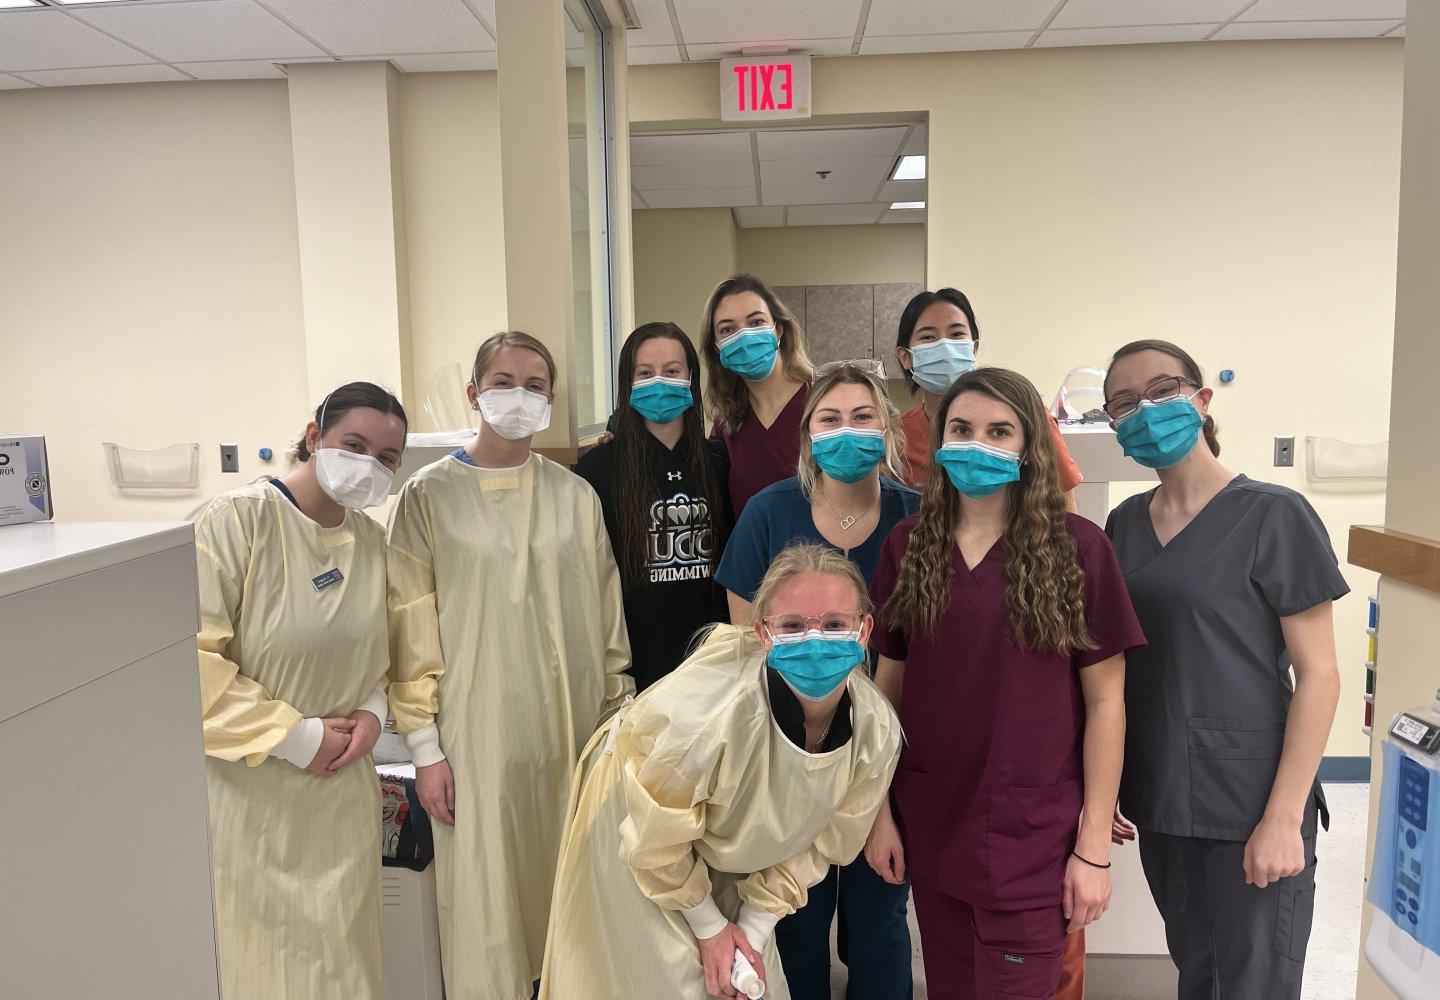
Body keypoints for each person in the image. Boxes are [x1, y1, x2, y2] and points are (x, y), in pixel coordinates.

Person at [866, 367, 1145, 999]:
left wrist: (1093, 846)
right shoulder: (908, 548)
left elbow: (1106, 703)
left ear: (1029, 448)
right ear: (938, 442)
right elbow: (886, 692)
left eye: (1000, 431)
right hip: (933, 826)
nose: (978, 444)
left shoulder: (1079, 550)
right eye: (961, 429)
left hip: (1031, 837)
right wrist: (877, 813)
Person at [539, 543, 903, 1000]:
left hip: (725, 834)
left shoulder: (876, 732)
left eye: (835, 625)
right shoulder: (709, 722)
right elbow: (656, 840)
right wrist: (710, 928)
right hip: (638, 823)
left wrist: (752, 928)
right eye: (792, 626)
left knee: (746, 976)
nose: (815, 641)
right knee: (663, 977)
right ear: (763, 634)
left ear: (865, 629)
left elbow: (820, 841)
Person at [387, 331, 635, 1000]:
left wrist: (617, 722)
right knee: (489, 912)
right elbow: (408, 629)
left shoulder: (575, 497)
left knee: (572, 901)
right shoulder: (426, 498)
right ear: (474, 394)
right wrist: (425, 748)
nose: (518, 395)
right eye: (503, 381)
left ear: (551, 400)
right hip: (478, 741)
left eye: (535, 384)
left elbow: (607, 620)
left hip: (571, 734)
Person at [1102, 340, 1345, 1000]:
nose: (1144, 411)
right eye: (1124, 403)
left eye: (1160, 391)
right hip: (1162, 799)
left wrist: (1282, 816)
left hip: (1253, 803)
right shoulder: (1121, 526)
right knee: (1199, 976)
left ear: (1202, 401)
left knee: (1254, 984)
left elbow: (1320, 676)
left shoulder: (1274, 514)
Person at [194, 381, 408, 999]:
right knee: (267, 968)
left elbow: (380, 655)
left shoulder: (371, 541)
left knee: (346, 963)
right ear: (314, 437)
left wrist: (372, 712)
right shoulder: (235, 525)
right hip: (255, 798)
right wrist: (294, 737)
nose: (370, 465)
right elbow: (194, 663)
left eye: (387, 458)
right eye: (354, 445)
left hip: (342, 793)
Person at [715, 361, 918, 999]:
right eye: (829, 418)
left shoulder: (916, 522)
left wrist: (877, 789)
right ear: (808, 435)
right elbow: (750, 650)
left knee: (879, 916)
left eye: (863, 417)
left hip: (880, 758)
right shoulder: (769, 513)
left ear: (887, 428)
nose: (846, 430)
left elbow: (911, 656)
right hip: (787, 753)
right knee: (794, 917)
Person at [576, 322, 732, 693]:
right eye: (645, 373)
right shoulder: (597, 470)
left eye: (672, 371)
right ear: (627, 384)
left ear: (691, 378)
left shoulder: (722, 464)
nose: (659, 381)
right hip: (633, 669)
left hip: (713, 665)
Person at [892, 287, 1082, 495]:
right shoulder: (899, 437)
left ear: (973, 349)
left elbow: (1062, 500)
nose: (945, 346)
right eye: (928, 337)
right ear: (905, 356)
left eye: (956, 334)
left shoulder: (1028, 415)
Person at [702, 272, 815, 516]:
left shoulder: (823, 401)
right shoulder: (728, 421)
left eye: (756, 323)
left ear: (779, 329)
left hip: (819, 553)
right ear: (717, 347)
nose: (743, 336)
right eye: (727, 329)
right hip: (751, 552)